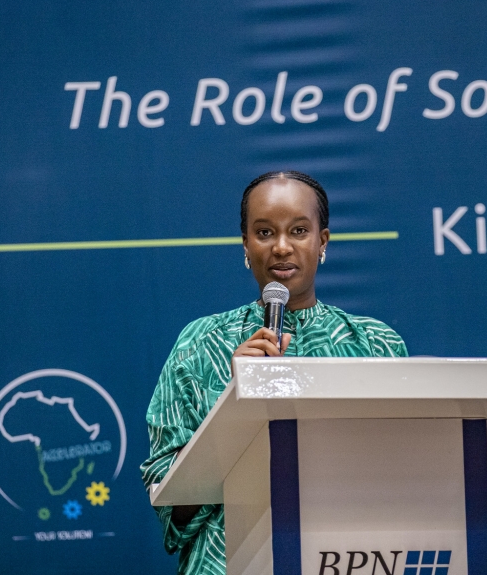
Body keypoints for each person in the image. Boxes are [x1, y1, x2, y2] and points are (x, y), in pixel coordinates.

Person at [139, 171, 408, 575]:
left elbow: (409, 468)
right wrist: (234, 402)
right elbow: (169, 504)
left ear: (322, 242)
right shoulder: (200, 343)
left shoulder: (376, 344)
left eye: (299, 230)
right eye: (264, 233)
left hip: (352, 560)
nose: (281, 247)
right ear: (245, 245)